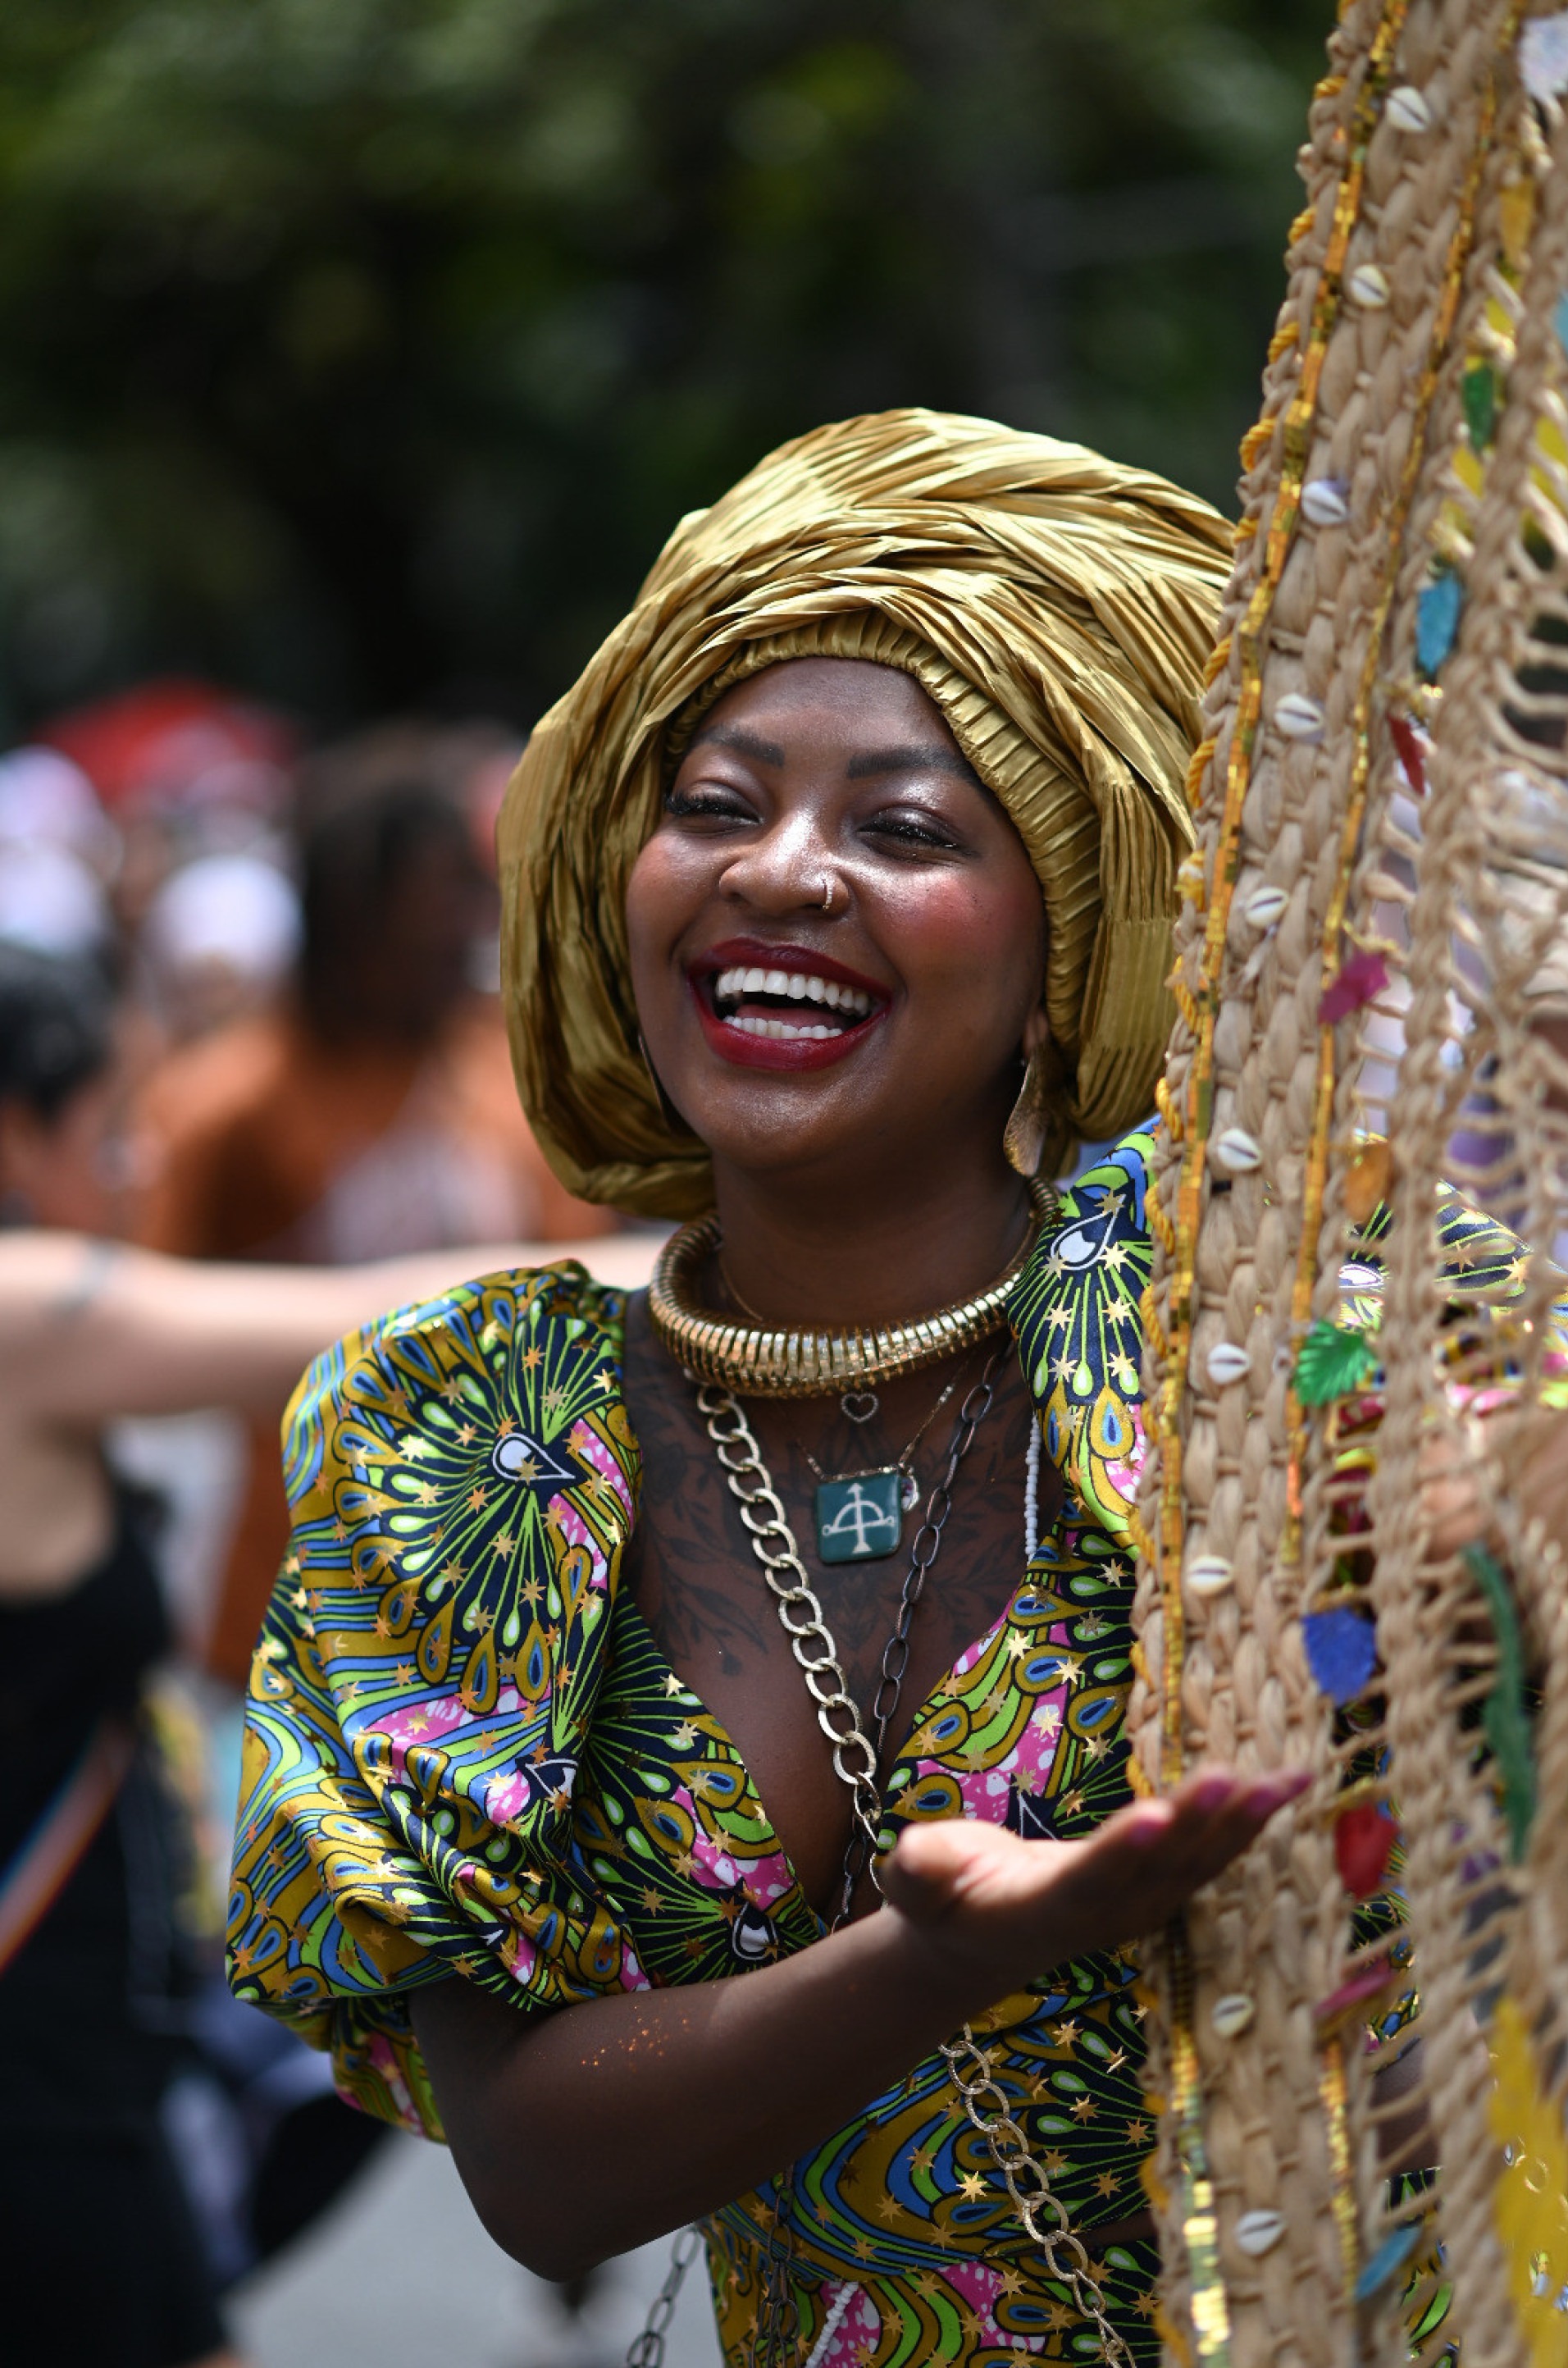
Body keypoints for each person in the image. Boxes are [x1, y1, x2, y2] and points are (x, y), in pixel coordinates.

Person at [227, 410, 1309, 2367]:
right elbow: (540, 2168)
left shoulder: (1265, 1348)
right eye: (715, 803)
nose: (781, 874)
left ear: (1072, 930)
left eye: (903, 829)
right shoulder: (471, 1431)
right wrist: (932, 1964)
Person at [0, 942, 650, 2368]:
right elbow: (413, 1321)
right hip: (36, 2069)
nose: (128, 1170)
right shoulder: (20, 1311)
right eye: (108, 1125)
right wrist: (728, 1261)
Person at [141, 774, 619, 1688]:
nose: (459, 935)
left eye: (468, 901)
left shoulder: (510, 1076)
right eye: (427, 912)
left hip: (508, 1595)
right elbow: (145, 1312)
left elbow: (581, 1289)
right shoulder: (230, 1103)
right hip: (295, 1606)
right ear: (349, 924)